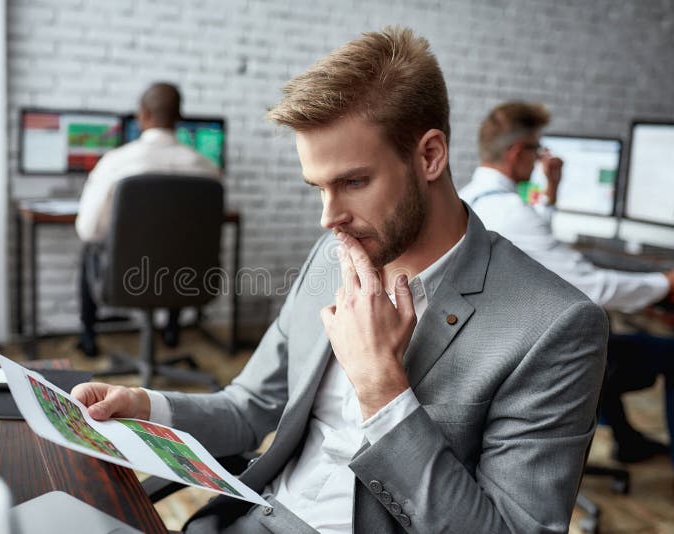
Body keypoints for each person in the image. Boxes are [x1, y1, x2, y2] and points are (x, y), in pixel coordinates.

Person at [73, 28, 608, 533]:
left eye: (353, 181)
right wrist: (146, 406)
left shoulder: (554, 327)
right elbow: (249, 406)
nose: (329, 218)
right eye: (318, 187)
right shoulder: (333, 256)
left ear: (430, 156)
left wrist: (382, 388)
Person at [459, 101, 674, 463]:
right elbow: (595, 288)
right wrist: (665, 283)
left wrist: (551, 190)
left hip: (496, 345)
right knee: (655, 349)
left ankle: (628, 441)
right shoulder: (511, 213)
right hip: (534, 358)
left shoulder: (472, 198)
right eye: (537, 150)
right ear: (516, 153)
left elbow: (530, 232)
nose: (540, 159)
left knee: (603, 337)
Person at [74, 82, 220, 357]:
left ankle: (88, 337)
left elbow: (88, 230)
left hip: (127, 279)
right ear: (179, 117)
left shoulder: (116, 163)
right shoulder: (208, 169)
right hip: (186, 281)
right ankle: (172, 331)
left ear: (142, 115)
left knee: (90, 248)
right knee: (179, 246)